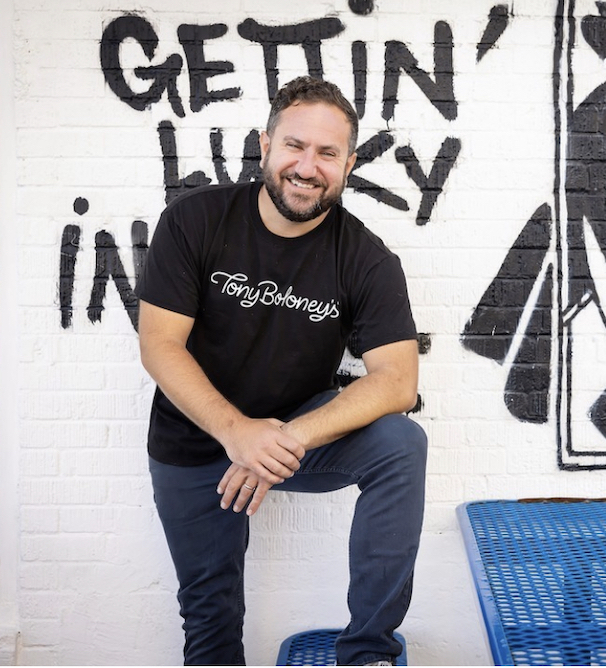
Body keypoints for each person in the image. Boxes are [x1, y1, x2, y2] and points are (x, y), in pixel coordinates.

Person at [137, 75, 427, 666]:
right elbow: (160, 346)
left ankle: (368, 653)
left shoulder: (367, 259)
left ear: (348, 164)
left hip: (294, 434)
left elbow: (397, 381)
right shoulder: (195, 222)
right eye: (295, 146)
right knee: (211, 618)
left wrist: (286, 438)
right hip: (193, 440)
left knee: (401, 443)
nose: (307, 166)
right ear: (265, 144)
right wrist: (236, 432)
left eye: (327, 153)